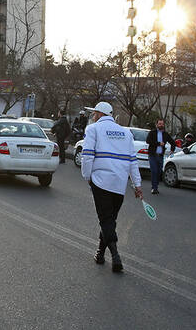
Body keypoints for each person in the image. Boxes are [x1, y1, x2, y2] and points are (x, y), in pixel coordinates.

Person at [81, 101, 143, 273]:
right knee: (109, 220)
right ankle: (100, 253)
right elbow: (133, 161)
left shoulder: (93, 129)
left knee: (106, 220)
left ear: (100, 114)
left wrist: (87, 177)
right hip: (119, 184)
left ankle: (116, 256)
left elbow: (87, 156)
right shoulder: (126, 132)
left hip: (101, 182)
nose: (93, 116)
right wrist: (137, 184)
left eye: (95, 113)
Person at [145, 119, 176, 195]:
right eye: (159, 124)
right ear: (156, 125)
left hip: (160, 156)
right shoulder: (152, 132)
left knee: (159, 171)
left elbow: (172, 142)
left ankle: (156, 185)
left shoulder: (165, 134)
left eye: (162, 124)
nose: (161, 125)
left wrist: (172, 150)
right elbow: (148, 141)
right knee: (154, 171)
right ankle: (154, 188)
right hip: (152, 155)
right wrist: (158, 143)